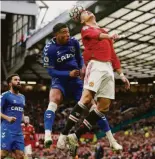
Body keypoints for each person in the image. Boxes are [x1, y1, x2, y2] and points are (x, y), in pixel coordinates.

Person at [43, 22, 122, 150]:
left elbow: (79, 58)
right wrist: (67, 73)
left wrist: (82, 68)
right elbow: (51, 72)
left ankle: (111, 140)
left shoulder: (73, 42)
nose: (67, 34)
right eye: (64, 32)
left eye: (68, 31)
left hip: (75, 81)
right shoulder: (49, 49)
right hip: (60, 80)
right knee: (54, 100)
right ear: (56, 35)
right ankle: (48, 135)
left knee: (95, 107)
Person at [62, 8, 130, 157]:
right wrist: (109, 35)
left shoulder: (103, 30)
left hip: (108, 68)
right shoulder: (86, 29)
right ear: (81, 20)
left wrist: (122, 75)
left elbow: (113, 54)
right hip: (96, 65)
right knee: (86, 98)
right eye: (84, 13)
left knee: (103, 107)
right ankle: (64, 133)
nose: (87, 12)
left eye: (87, 11)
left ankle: (75, 135)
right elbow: (95, 35)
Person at [0, 74, 25, 159]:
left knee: (20, 155)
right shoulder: (5, 95)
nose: (18, 81)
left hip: (18, 131)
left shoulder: (22, 97)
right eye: (15, 80)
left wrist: (23, 119)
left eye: (19, 80)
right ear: (10, 83)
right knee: (3, 153)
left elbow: (21, 110)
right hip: (7, 129)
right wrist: (8, 118)